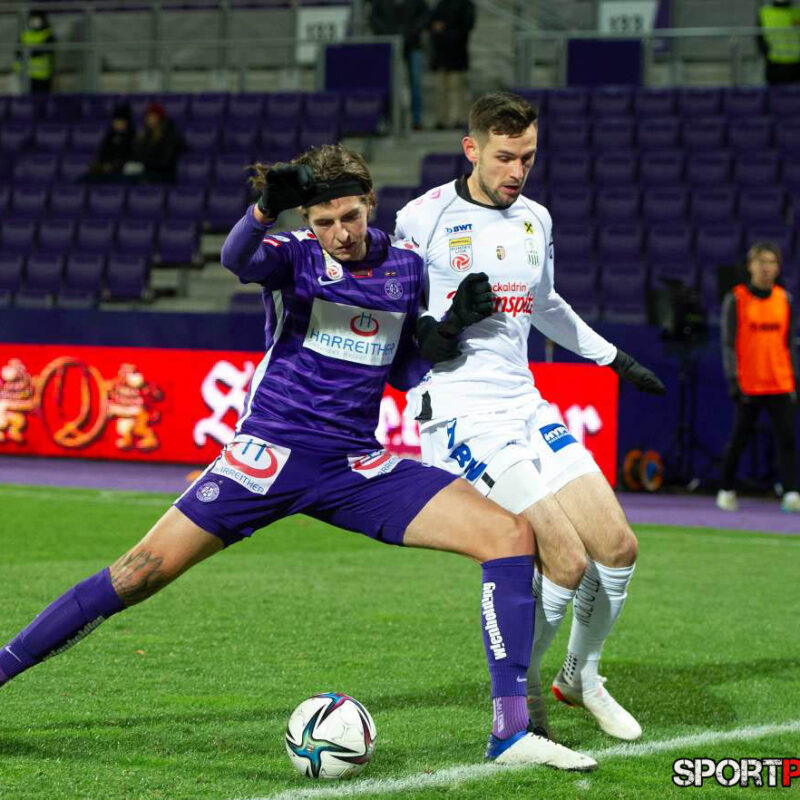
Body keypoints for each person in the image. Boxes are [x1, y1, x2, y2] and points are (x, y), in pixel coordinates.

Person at [0, 144, 596, 772]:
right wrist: (263, 209)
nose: (340, 234)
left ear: (370, 205)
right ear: (308, 222)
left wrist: (449, 329)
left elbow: (403, 370)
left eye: (350, 217)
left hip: (353, 466)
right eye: (324, 222)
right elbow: (237, 259)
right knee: (136, 574)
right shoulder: (295, 256)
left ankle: (510, 732)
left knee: (508, 535)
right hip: (269, 456)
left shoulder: (406, 267)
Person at [395, 92, 666, 743]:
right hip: (460, 413)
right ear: (472, 149)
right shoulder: (423, 217)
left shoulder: (536, 219)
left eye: (528, 157)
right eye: (504, 157)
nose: (517, 170)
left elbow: (545, 305)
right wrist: (448, 325)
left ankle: (580, 677)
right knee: (564, 559)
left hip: (524, 404)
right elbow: (401, 322)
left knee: (617, 548)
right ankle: (519, 696)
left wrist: (613, 358)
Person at [717, 242, 799, 513]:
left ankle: (791, 492)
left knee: (787, 438)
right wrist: (733, 379)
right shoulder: (737, 299)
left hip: (780, 381)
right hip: (749, 384)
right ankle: (726, 489)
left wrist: (795, 377)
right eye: (761, 262)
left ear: (778, 268)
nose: (766, 268)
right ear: (750, 266)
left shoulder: (785, 299)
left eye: (772, 262)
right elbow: (728, 343)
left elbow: (789, 344)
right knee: (739, 438)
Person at [369, 0, 429, 131]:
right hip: (388, 46)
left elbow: (424, 16)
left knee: (415, 83)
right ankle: (387, 120)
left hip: (413, 45)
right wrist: (388, 33)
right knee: (387, 83)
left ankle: (416, 120)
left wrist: (411, 32)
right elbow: (374, 19)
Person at [429, 0, 475, 130]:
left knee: (456, 88)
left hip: (457, 53)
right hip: (441, 54)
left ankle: (457, 118)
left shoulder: (466, 5)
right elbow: (432, 25)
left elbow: (466, 27)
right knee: (441, 89)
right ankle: (442, 119)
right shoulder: (441, 5)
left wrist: (445, 31)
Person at [130, 102, 182, 183]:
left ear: (160, 119)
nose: (150, 120)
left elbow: (165, 161)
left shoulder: (168, 136)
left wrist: (145, 165)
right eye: (148, 117)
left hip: (163, 175)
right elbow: (137, 155)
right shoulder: (144, 135)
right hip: (147, 172)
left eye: (154, 117)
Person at [86, 103, 136, 181]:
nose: (119, 124)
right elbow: (102, 155)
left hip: (122, 173)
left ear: (127, 122)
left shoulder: (132, 137)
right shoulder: (109, 137)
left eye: (122, 121)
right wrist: (101, 165)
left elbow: (132, 159)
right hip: (105, 171)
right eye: (117, 121)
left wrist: (114, 166)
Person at [758, 0, 800, 86]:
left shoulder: (797, 13)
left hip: (796, 65)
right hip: (774, 64)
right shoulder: (764, 13)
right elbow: (759, 38)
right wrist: (766, 53)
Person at [14, 9, 56, 94]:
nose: (35, 21)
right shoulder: (25, 34)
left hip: (42, 75)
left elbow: (46, 50)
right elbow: (17, 52)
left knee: (42, 98)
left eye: (37, 18)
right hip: (24, 74)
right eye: (33, 18)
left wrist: (28, 52)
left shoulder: (48, 34)